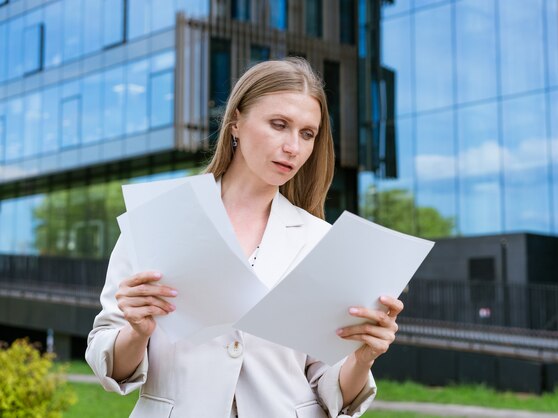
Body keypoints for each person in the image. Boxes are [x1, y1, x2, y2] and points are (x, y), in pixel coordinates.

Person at [86, 57, 404, 418]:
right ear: (235, 121)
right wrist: (136, 331)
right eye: (279, 125)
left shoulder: (322, 240)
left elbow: (327, 384)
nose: (293, 148)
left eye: (307, 134)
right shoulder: (159, 216)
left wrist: (363, 358)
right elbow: (107, 362)